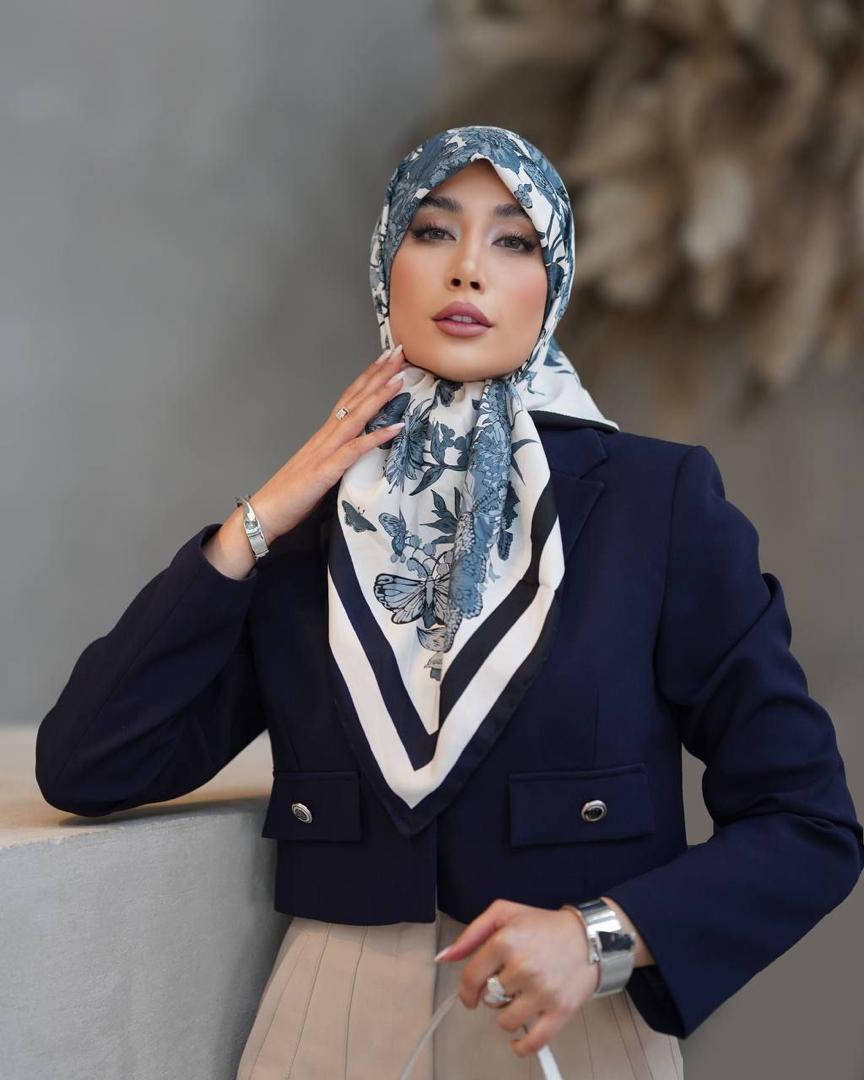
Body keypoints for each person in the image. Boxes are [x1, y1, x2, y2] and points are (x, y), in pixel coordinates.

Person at [35, 125, 863, 1079]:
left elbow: (809, 824)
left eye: (513, 240)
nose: (468, 267)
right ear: (386, 268)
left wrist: (600, 936)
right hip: (327, 1022)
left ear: (553, 283)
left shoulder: (658, 504)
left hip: (563, 1025)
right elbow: (88, 762)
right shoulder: (315, 527)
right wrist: (251, 527)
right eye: (433, 231)